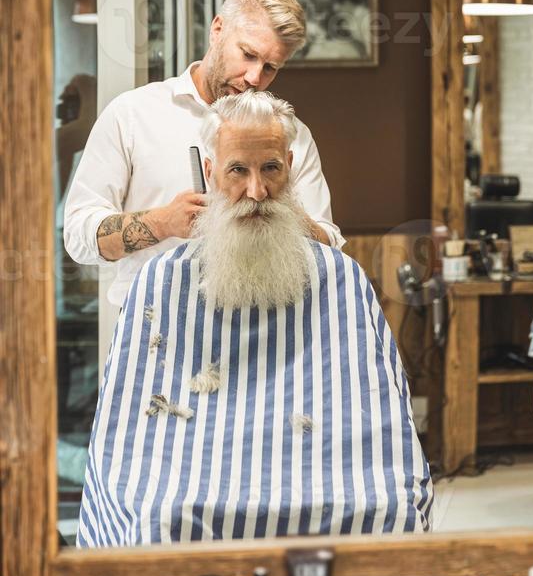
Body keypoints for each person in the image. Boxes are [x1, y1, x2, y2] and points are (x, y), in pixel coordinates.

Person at [76, 92, 433, 546]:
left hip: (315, 457)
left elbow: (376, 406)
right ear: (210, 173)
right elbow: (128, 428)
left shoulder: (339, 277)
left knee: (386, 507)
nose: (257, 192)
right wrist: (162, 222)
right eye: (237, 171)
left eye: (271, 169)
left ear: (289, 165)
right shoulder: (163, 279)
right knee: (160, 518)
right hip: (193, 460)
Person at [64, 0, 343, 308]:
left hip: (266, 337)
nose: (255, 78)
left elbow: (330, 246)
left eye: (270, 67)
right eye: (248, 55)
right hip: (156, 336)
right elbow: (79, 236)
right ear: (217, 29)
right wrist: (162, 222)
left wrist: (277, 210)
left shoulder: (290, 136)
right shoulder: (132, 115)